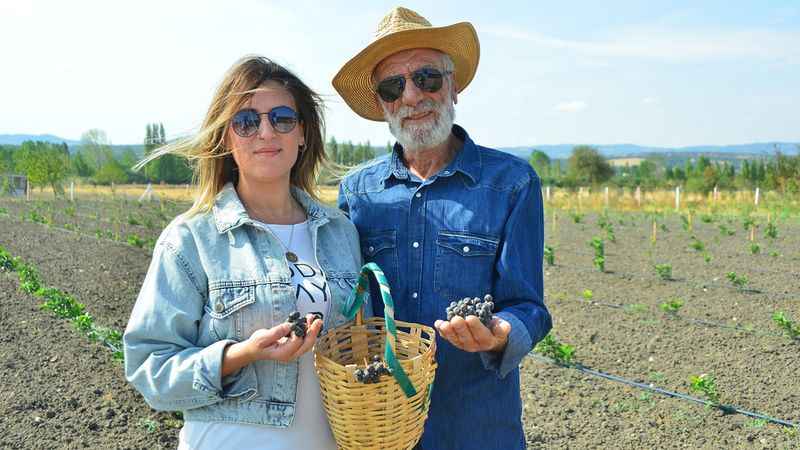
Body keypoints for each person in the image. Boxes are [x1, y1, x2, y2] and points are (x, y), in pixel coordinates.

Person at [334, 7, 552, 450]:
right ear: (382, 104)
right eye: (394, 86)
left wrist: (499, 333)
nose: (412, 96)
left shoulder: (511, 183)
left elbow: (528, 305)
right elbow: (347, 305)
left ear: (455, 86)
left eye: (427, 78)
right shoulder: (357, 192)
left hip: (477, 428)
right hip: (382, 427)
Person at [123, 55, 366, 450]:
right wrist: (239, 355)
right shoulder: (193, 239)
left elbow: (362, 345)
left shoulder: (340, 232)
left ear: (303, 133)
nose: (266, 131)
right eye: (247, 122)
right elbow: (150, 368)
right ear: (226, 138)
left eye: (283, 118)